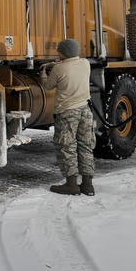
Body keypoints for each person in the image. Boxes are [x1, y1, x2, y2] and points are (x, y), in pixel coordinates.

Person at [40, 38, 96, 196]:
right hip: (85, 110)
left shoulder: (59, 69)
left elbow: (48, 86)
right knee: (86, 146)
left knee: (67, 146)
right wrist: (56, 64)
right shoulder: (85, 63)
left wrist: (44, 73)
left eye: (59, 50)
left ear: (63, 52)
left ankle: (71, 184)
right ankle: (87, 185)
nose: (58, 52)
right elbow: (70, 66)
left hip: (67, 112)